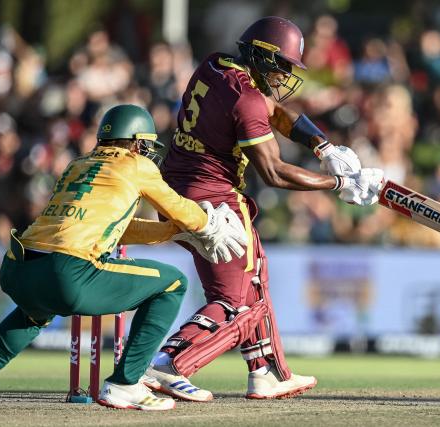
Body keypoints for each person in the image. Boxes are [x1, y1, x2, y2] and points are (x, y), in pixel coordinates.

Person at [0, 104, 248, 411]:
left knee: (32, 313)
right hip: (67, 271)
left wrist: (170, 232)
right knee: (174, 283)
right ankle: (126, 384)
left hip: (18, 267)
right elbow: (179, 206)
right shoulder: (136, 166)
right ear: (138, 142)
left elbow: (113, 227)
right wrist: (205, 223)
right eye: (146, 146)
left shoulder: (78, 164)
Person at [144, 16, 384, 401]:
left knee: (253, 279)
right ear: (261, 56)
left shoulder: (215, 65)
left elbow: (271, 109)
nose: (285, 75)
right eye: (282, 65)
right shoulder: (246, 99)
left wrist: (323, 147)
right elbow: (273, 171)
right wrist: (338, 183)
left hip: (175, 192)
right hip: (215, 198)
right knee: (237, 304)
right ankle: (169, 362)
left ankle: (266, 372)